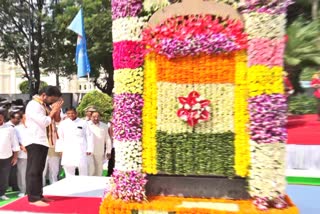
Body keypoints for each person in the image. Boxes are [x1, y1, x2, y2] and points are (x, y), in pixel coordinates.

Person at [25, 86, 63, 206]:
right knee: (34, 170)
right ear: (44, 95)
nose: (53, 102)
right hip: (35, 140)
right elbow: (44, 122)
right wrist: (53, 110)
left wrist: (56, 109)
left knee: (39, 170)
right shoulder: (33, 105)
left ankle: (39, 195)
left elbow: (56, 121)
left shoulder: (44, 105)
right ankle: (33, 198)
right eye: (53, 99)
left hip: (44, 141)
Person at [57, 107, 93, 177]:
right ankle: (70, 185)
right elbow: (60, 137)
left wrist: (89, 149)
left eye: (72, 113)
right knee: (69, 168)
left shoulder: (83, 122)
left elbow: (89, 136)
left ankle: (84, 186)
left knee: (83, 168)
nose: (71, 115)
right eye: (68, 113)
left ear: (76, 113)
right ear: (66, 114)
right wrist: (60, 149)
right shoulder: (63, 123)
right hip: (68, 149)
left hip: (81, 149)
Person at [0, 111, 20, 200]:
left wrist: (15, 157)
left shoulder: (9, 128)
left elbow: (14, 143)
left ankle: (2, 193)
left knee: (4, 176)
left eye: (0, 117)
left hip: (6, 156)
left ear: (3, 118)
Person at [88, 111, 112, 176]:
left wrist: (108, 151)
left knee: (99, 169)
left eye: (98, 116)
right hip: (88, 152)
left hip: (99, 151)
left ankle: (97, 184)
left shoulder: (104, 126)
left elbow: (107, 139)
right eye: (94, 117)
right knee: (90, 169)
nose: (96, 118)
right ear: (90, 117)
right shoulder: (86, 125)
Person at [6, 112, 22, 192]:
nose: (19, 120)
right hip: (9, 151)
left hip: (16, 151)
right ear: (12, 118)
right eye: (17, 118)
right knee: (10, 170)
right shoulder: (7, 126)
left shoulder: (19, 126)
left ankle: (14, 185)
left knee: (15, 170)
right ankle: (11, 185)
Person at [15, 112, 28, 197]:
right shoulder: (17, 128)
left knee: (32, 173)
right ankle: (22, 190)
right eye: (25, 118)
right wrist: (21, 146)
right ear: (21, 119)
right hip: (22, 154)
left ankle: (32, 189)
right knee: (21, 173)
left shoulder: (35, 128)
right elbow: (15, 140)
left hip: (33, 154)